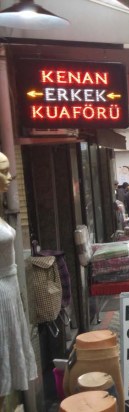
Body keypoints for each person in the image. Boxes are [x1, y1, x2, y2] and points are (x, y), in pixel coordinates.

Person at [0, 152, 37, 410]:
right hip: (1, 292)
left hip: (9, 290)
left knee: (8, 363)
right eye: (2, 172)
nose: (9, 177)